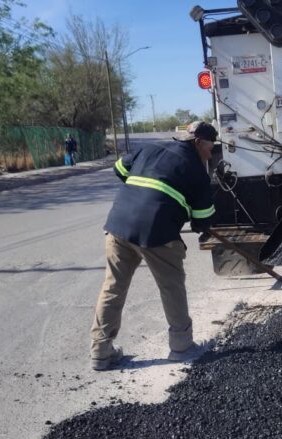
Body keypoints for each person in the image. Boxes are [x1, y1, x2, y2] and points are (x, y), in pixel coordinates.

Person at [89, 121, 217, 371]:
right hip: (157, 234)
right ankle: (182, 347)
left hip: (118, 226)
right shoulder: (197, 172)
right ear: (198, 143)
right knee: (172, 287)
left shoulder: (149, 149)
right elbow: (203, 220)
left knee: (113, 287)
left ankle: (100, 352)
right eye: (211, 148)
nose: (211, 153)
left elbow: (119, 169)